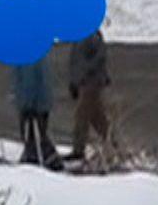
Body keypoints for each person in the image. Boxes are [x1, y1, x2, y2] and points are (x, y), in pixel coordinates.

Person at [66, 29, 113, 163]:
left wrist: (85, 73)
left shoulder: (92, 35)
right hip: (83, 83)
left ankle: (78, 151)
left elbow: (100, 57)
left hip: (91, 83)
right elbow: (75, 63)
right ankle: (113, 145)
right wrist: (74, 83)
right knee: (96, 117)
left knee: (82, 116)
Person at [11, 52, 64, 169]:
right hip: (41, 101)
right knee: (39, 134)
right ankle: (43, 158)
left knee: (32, 135)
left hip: (34, 104)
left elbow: (28, 82)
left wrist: (28, 104)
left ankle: (39, 159)